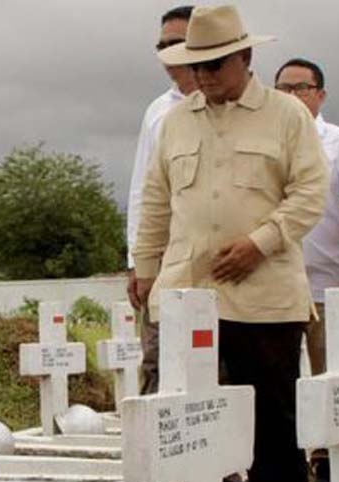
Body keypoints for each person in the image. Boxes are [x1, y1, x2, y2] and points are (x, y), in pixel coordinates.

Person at [105, 4, 328, 482]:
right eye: (196, 67)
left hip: (263, 287)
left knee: (272, 402)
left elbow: (309, 195)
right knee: (173, 397)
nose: (202, 77)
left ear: (246, 58)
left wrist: (260, 243)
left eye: (215, 66)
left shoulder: (287, 115)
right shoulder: (176, 120)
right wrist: (147, 269)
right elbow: (157, 202)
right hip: (187, 288)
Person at [274, 57, 339, 482]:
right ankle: (287, 463)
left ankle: (328, 457)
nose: (292, 97)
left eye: (301, 88)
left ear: (320, 94)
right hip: (279, 278)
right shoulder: (265, 140)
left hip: (328, 276)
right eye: (283, 88)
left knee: (329, 373)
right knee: (280, 376)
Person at [126, 5, 198, 396]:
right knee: (157, 358)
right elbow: (142, 190)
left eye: (178, 43)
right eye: (162, 45)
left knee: (212, 361)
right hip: (165, 257)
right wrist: (137, 261)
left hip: (214, 256)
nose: (168, 53)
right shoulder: (158, 112)